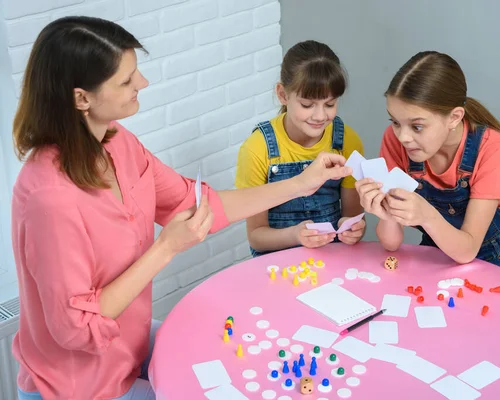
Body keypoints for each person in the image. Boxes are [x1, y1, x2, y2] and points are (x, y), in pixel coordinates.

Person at [11, 17, 351, 400]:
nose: (142, 83)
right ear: (81, 98)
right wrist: (166, 248)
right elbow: (76, 328)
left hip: (130, 344)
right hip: (80, 384)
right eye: (126, 80)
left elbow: (197, 203)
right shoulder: (48, 198)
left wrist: (301, 183)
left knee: (232, 359)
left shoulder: (119, 143)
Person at [357, 51, 500, 282]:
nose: (402, 137)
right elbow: (391, 244)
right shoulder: (395, 141)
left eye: (417, 126)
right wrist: (384, 213)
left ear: (454, 117)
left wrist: (427, 216)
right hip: (440, 259)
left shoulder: (491, 147)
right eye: (394, 122)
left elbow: (467, 249)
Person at [235, 40, 366, 257]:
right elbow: (257, 237)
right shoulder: (258, 149)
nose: (320, 116)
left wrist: (352, 229)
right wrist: (296, 235)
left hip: (332, 259)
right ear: (283, 95)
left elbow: (352, 217)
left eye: (330, 104)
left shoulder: (347, 142)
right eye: (307, 105)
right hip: (276, 265)